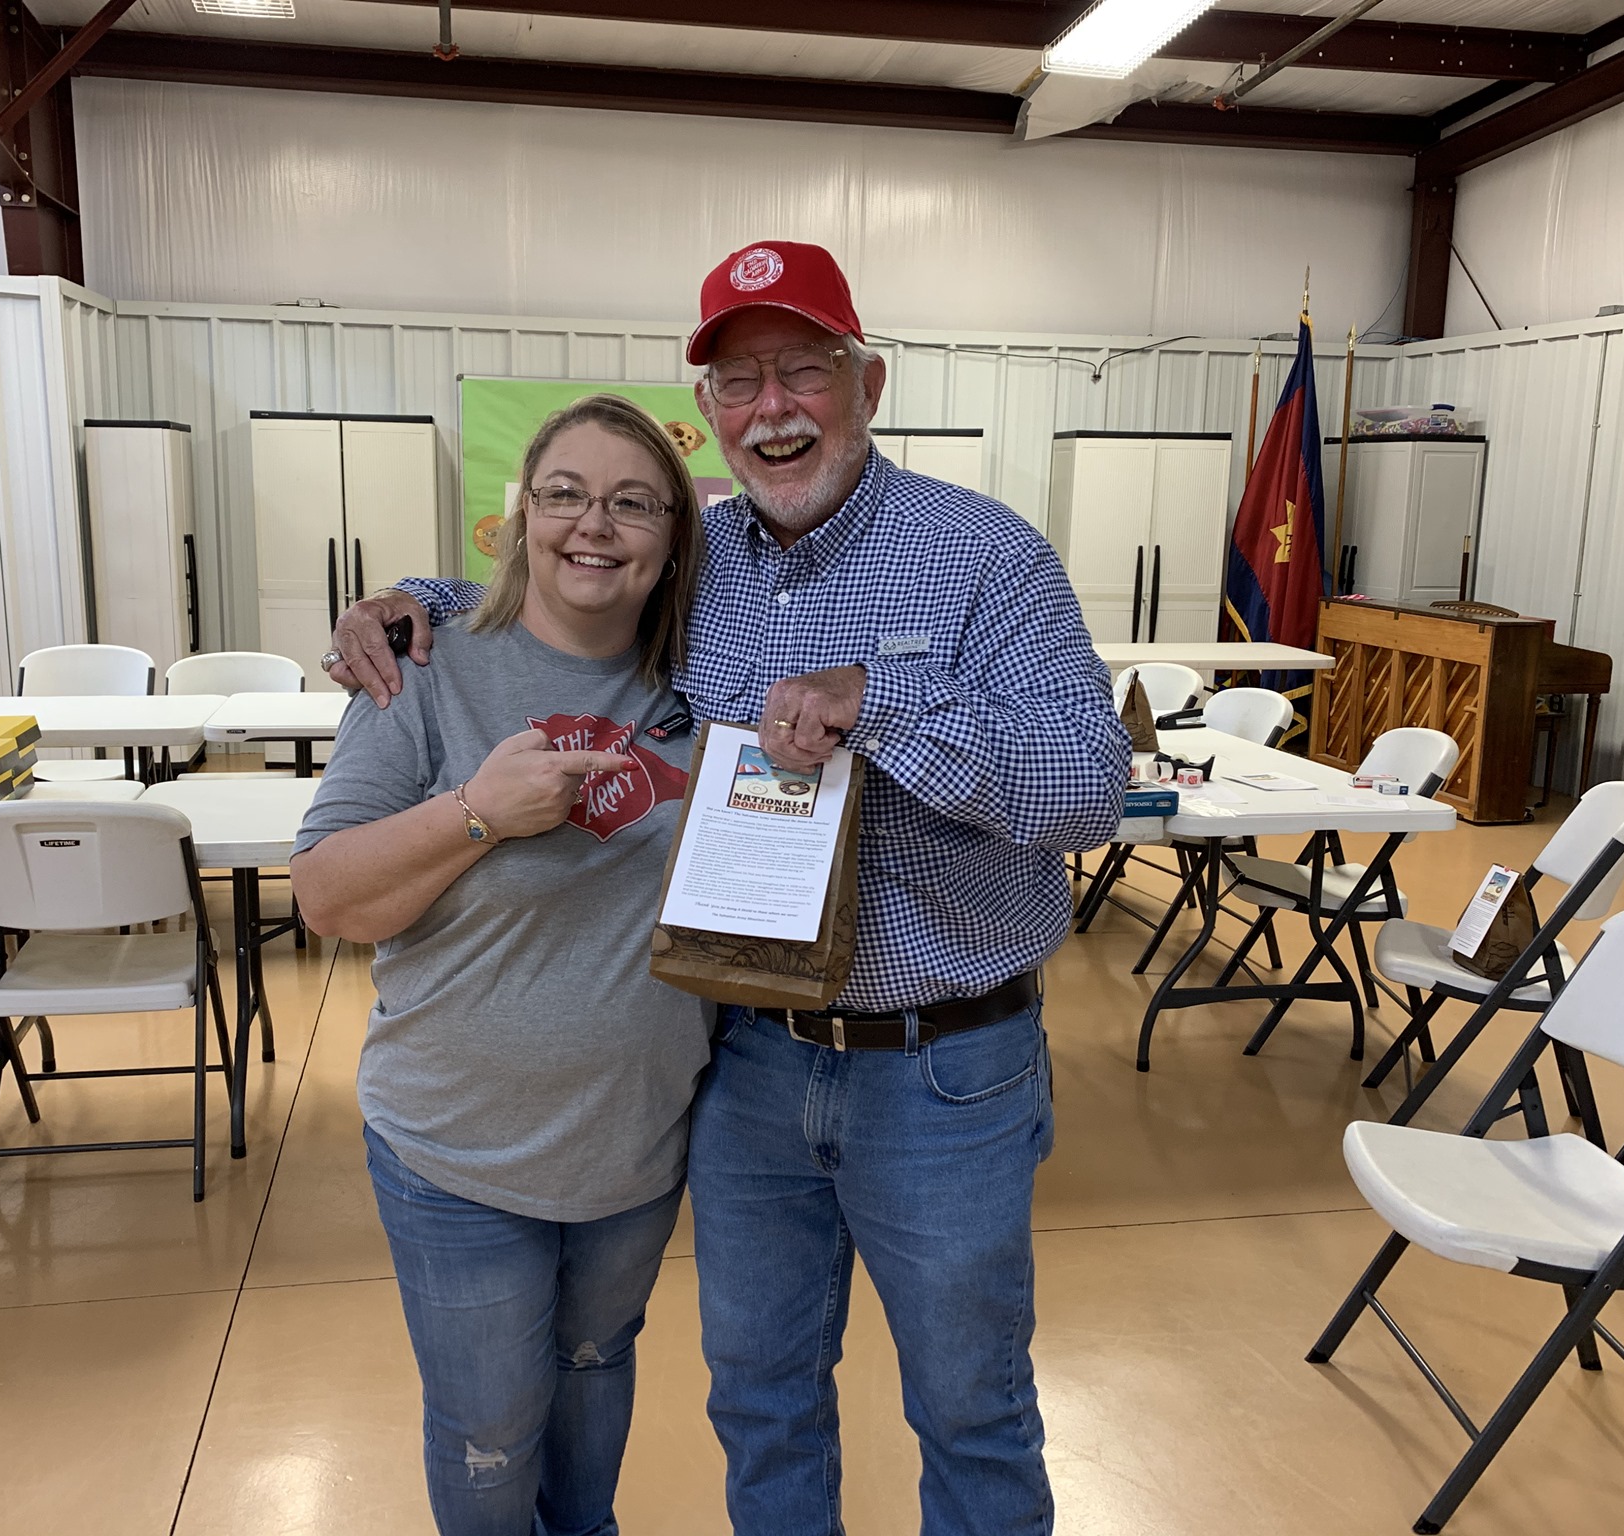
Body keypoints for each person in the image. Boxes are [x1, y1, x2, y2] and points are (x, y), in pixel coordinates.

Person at [324, 241, 1130, 1536]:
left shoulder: (986, 556)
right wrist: (404, 602)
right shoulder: (699, 560)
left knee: (969, 1409)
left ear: (867, 383)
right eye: (739, 382)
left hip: (940, 1068)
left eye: (802, 370)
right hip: (746, 1062)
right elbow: (558, 586)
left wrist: (882, 703)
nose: (773, 408)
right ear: (708, 411)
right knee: (760, 1399)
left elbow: (1089, 788)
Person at [290, 393, 710, 1536]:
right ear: (521, 516)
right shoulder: (426, 671)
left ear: (675, 535)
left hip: (635, 1146)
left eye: (633, 504)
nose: (594, 525)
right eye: (563, 495)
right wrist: (475, 812)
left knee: (592, 1385)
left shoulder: (705, 681)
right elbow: (324, 896)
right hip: (456, 1152)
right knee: (489, 1435)